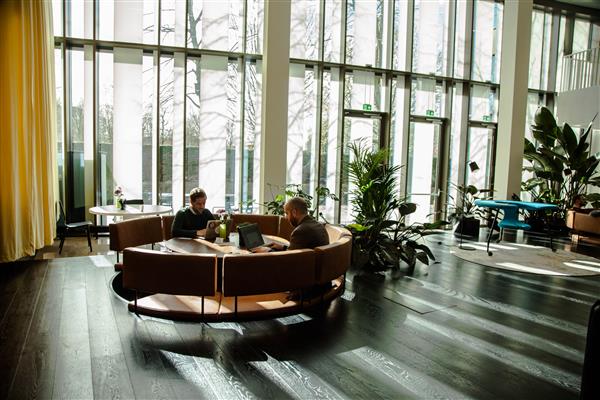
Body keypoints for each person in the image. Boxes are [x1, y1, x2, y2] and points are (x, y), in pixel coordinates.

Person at [253, 197, 329, 253]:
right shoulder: (318, 225)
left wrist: (268, 251)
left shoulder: (301, 231)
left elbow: (289, 259)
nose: (286, 217)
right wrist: (283, 247)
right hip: (316, 269)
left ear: (294, 212)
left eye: (287, 213)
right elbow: (301, 251)